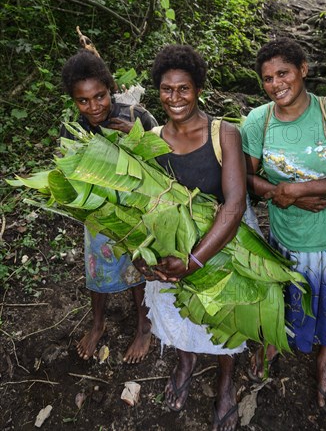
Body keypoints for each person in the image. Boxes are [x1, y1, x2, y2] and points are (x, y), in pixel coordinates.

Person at [240, 38, 326, 415]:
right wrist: (289, 196)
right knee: (287, 291)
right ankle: (277, 339)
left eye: (283, 73)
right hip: (287, 235)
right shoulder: (257, 121)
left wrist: (300, 189)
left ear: (303, 70)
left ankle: (325, 359)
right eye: (267, 78)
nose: (276, 84)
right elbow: (246, 178)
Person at [135, 44, 247, 431]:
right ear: (158, 91)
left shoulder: (224, 133)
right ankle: (185, 362)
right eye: (167, 89)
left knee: (225, 317)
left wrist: (195, 259)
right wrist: (142, 256)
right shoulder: (149, 139)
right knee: (178, 315)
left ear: (198, 88)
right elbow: (140, 207)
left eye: (184, 89)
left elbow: (234, 204)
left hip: (220, 246)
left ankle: (226, 380)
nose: (175, 98)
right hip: (171, 253)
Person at [60, 49, 158, 363]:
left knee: (137, 268)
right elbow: (67, 174)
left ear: (110, 88)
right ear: (74, 101)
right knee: (97, 269)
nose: (93, 106)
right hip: (97, 213)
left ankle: (144, 325)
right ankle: (98, 322)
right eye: (83, 100)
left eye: (100, 96)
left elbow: (163, 157)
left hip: (136, 212)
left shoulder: (135, 116)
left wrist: (137, 139)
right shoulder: (73, 130)